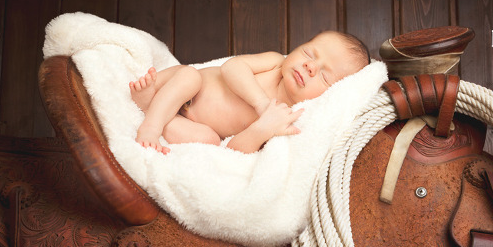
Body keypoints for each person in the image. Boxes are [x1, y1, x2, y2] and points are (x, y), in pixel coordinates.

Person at [129, 30, 370, 154]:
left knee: (209, 141)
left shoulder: (286, 119)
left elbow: (235, 149)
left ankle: (151, 107)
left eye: (324, 76)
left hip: (187, 120)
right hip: (181, 87)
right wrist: (261, 104)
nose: (310, 66)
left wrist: (261, 129)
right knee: (190, 77)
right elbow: (231, 67)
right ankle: (150, 125)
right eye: (309, 53)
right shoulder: (275, 63)